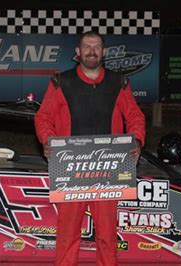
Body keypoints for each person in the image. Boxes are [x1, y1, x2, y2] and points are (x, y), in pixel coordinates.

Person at [34, 31, 146, 266]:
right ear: (78, 52)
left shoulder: (120, 82)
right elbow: (43, 117)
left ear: (104, 52)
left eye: (96, 46)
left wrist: (136, 140)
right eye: (87, 46)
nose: (92, 50)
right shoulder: (60, 82)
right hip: (71, 170)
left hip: (109, 171)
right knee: (67, 234)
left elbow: (135, 116)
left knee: (107, 235)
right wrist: (48, 141)